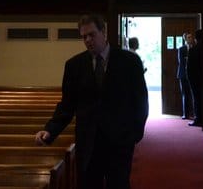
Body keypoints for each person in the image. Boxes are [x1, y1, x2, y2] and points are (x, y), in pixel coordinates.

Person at [35, 14, 149, 189]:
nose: (88, 40)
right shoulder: (74, 65)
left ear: (103, 32)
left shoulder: (129, 62)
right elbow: (67, 105)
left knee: (118, 185)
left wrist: (134, 134)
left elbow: (140, 101)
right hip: (88, 143)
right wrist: (50, 130)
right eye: (84, 36)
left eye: (92, 34)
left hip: (119, 142)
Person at [186, 29, 203, 127]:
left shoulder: (193, 50)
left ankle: (198, 119)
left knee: (196, 99)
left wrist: (190, 79)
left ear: (196, 38)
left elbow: (189, 67)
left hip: (195, 79)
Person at [177, 31, 194, 119]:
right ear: (185, 39)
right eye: (189, 37)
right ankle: (185, 114)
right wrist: (187, 59)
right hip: (183, 74)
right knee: (185, 94)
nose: (191, 39)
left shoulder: (194, 48)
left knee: (192, 94)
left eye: (191, 37)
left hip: (192, 75)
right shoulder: (181, 49)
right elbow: (181, 62)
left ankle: (193, 113)